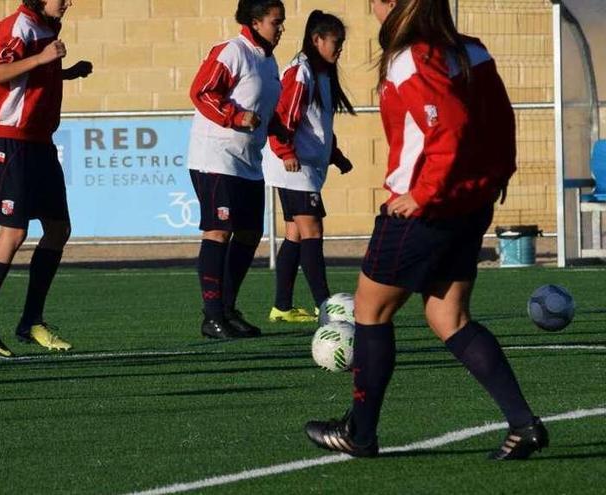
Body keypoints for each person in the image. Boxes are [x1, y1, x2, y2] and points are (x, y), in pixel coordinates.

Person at [304, 0, 548, 460]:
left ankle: (360, 432)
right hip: (469, 204)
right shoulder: (471, 51)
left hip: (423, 211)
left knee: (371, 312)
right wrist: (495, 177)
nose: (371, 7)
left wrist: (425, 193)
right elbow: (502, 121)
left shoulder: (409, 57)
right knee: (447, 318)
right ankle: (524, 424)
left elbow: (448, 127)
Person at [0, 0, 92, 358]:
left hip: (38, 141)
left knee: (57, 229)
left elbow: (29, 78)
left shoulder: (46, 25)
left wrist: (65, 72)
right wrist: (42, 58)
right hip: (10, 139)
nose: (68, 3)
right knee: (13, 233)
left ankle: (31, 320)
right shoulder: (20, 25)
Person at [187, 0, 285, 339]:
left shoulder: (269, 61)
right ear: (255, 22)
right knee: (219, 231)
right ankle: (212, 316)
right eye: (276, 21)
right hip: (216, 157)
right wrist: (236, 116)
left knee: (249, 234)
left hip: (248, 162)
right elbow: (201, 91)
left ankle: (227, 308)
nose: (281, 28)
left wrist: (282, 133)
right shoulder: (232, 50)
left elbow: (265, 112)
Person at [263, 10, 355, 324]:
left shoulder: (322, 73)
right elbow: (283, 117)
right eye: (335, 41)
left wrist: (335, 154)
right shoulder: (300, 71)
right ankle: (325, 306)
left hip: (306, 165)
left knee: (295, 234)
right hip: (293, 166)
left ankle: (282, 307)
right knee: (312, 229)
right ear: (317, 40)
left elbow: (317, 124)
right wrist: (285, 151)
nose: (339, 48)